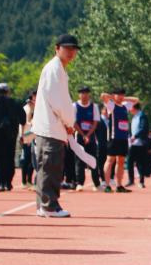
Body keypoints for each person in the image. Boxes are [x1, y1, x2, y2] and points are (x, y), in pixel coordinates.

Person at [32, 34, 79, 218]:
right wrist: (69, 122)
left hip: (53, 126)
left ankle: (44, 205)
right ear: (57, 48)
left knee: (48, 167)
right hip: (51, 127)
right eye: (67, 48)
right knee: (50, 167)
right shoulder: (54, 68)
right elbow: (58, 101)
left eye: (74, 49)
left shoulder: (59, 69)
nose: (71, 52)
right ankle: (49, 206)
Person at [101, 88, 137, 193]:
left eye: (122, 94)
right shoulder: (111, 105)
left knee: (121, 161)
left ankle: (119, 185)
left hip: (123, 138)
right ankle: (107, 185)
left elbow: (136, 100)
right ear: (114, 95)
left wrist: (123, 98)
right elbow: (103, 95)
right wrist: (113, 97)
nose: (121, 96)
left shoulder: (125, 106)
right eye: (119, 94)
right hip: (113, 138)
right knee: (110, 160)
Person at [73, 86, 103, 191]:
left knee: (93, 159)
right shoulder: (74, 106)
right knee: (79, 159)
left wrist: (88, 135)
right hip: (79, 135)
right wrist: (83, 135)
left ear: (89, 94)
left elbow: (95, 123)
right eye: (82, 93)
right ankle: (80, 183)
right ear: (79, 95)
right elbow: (74, 122)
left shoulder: (94, 106)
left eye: (86, 93)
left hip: (91, 136)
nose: (84, 95)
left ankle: (97, 184)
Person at [126, 101, 151, 188]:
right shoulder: (134, 117)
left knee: (140, 163)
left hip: (140, 143)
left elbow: (143, 128)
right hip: (132, 143)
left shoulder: (142, 116)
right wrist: (130, 136)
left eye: (130, 107)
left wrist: (135, 136)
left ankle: (141, 181)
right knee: (129, 162)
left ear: (134, 107)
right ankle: (131, 180)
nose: (129, 109)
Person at [20, 90, 36, 188]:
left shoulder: (36, 109)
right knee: (26, 159)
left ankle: (29, 180)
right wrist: (22, 137)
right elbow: (24, 123)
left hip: (34, 136)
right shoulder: (26, 109)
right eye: (34, 98)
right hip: (27, 137)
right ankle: (24, 181)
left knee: (32, 160)